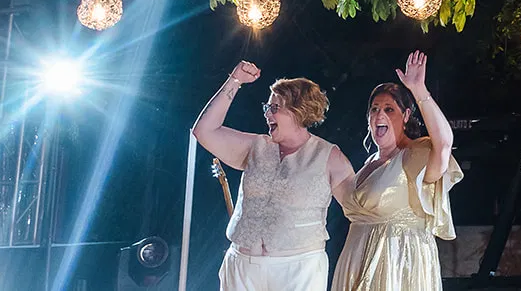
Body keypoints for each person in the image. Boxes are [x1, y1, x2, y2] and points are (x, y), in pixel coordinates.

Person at [193, 61, 356, 291]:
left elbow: (358, 209)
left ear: (298, 111)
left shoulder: (329, 157)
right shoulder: (256, 146)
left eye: (275, 108)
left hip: (298, 270)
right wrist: (235, 80)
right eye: (267, 107)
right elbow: (203, 131)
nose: (268, 114)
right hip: (242, 265)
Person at [331, 51, 462, 291]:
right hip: (355, 261)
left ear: (406, 116)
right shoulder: (368, 163)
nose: (379, 114)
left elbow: (443, 144)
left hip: (398, 264)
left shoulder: (415, 155)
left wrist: (419, 91)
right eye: (374, 109)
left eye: (389, 109)